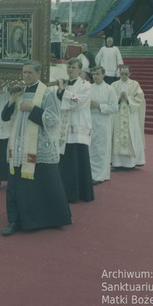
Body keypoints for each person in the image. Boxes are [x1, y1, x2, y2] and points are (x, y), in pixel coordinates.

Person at [0, 61, 71, 236]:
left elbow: (54, 121)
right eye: (24, 72)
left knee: (39, 185)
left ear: (39, 74)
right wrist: (11, 100)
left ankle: (42, 219)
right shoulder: (19, 91)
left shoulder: (47, 93)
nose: (26, 76)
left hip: (38, 147)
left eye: (29, 73)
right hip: (18, 147)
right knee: (15, 186)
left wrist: (34, 109)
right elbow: (5, 117)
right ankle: (14, 221)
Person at [57, 58, 94, 203]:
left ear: (80, 70)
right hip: (64, 127)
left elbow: (77, 103)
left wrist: (61, 91)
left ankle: (81, 193)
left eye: (73, 67)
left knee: (79, 160)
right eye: (68, 67)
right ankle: (66, 192)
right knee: (66, 161)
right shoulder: (64, 83)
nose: (70, 70)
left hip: (78, 127)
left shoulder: (86, 85)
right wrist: (60, 90)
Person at [111, 65, 146, 171]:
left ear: (130, 74)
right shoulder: (114, 85)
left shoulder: (135, 84)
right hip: (117, 115)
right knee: (117, 137)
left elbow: (140, 98)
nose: (124, 76)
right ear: (119, 73)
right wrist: (118, 98)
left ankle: (131, 163)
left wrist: (128, 99)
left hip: (131, 116)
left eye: (126, 74)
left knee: (132, 136)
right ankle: (117, 163)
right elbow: (110, 98)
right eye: (122, 73)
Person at [89, 67, 118, 184]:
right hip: (90, 121)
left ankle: (99, 175)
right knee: (90, 148)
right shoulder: (89, 88)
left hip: (103, 122)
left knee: (100, 149)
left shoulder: (109, 89)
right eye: (93, 74)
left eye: (97, 74)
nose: (95, 76)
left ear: (103, 75)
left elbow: (114, 108)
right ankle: (90, 173)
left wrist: (99, 106)